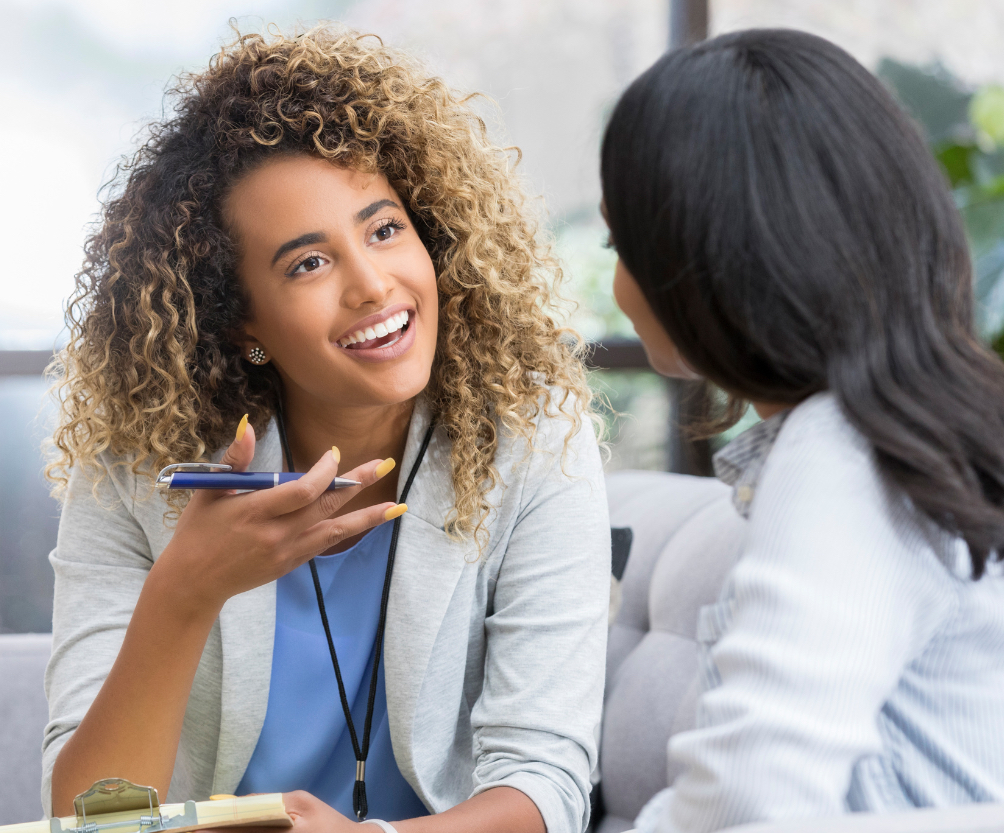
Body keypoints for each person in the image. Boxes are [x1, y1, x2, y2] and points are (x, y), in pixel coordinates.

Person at [42, 25, 610, 833]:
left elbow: (545, 782)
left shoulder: (530, 438)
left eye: (384, 229)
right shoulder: (139, 470)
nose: (375, 285)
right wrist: (185, 590)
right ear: (242, 323)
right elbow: (85, 820)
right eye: (308, 263)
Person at [600, 28, 1004, 833]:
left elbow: (745, 796)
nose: (619, 282)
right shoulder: (908, 425)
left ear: (705, 259)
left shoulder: (845, 455)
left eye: (623, 243)